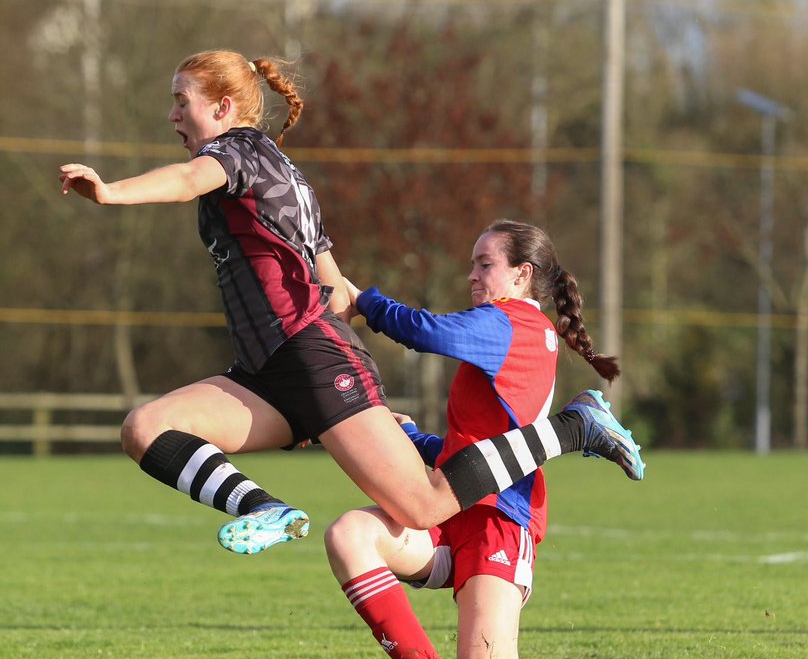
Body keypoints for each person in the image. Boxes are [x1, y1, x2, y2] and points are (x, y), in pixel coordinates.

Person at [58, 49, 643, 556]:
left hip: (313, 362)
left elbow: (186, 182)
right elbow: (335, 289)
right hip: (269, 371)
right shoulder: (277, 174)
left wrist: (111, 192)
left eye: (180, 99)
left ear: (222, 108)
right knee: (147, 428)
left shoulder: (241, 151)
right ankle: (267, 510)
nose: (172, 114)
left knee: (423, 506)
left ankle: (572, 428)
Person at [325, 220, 622, 659]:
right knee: (350, 534)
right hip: (447, 506)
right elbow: (476, 448)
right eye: (473, 265)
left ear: (522, 275)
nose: (472, 276)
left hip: (496, 519)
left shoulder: (516, 325)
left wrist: (365, 301)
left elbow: (427, 331)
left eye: (485, 265)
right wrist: (415, 438)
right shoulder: (515, 328)